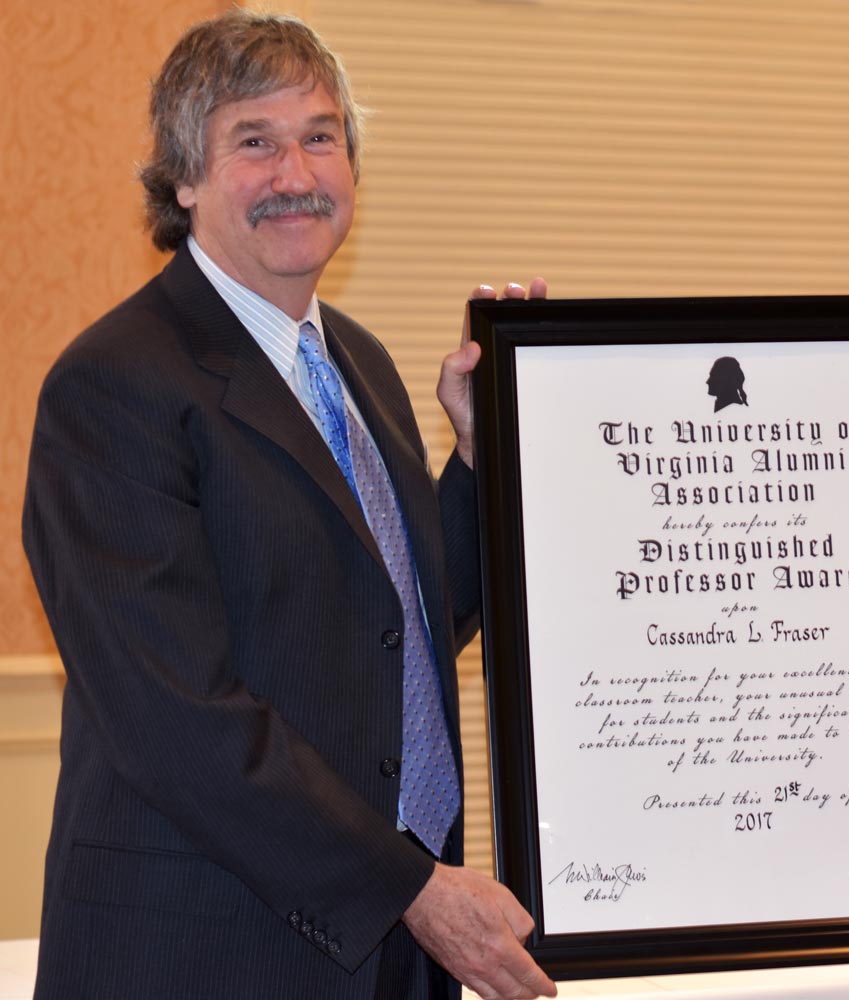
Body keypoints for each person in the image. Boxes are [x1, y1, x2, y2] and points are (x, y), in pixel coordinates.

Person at [22, 11, 554, 1000]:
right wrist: (413, 889)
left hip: (382, 952)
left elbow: (399, 631)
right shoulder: (115, 384)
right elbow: (178, 717)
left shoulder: (360, 364)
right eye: (253, 142)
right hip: (210, 955)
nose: (295, 171)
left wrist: (482, 459)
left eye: (320, 136)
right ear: (183, 179)